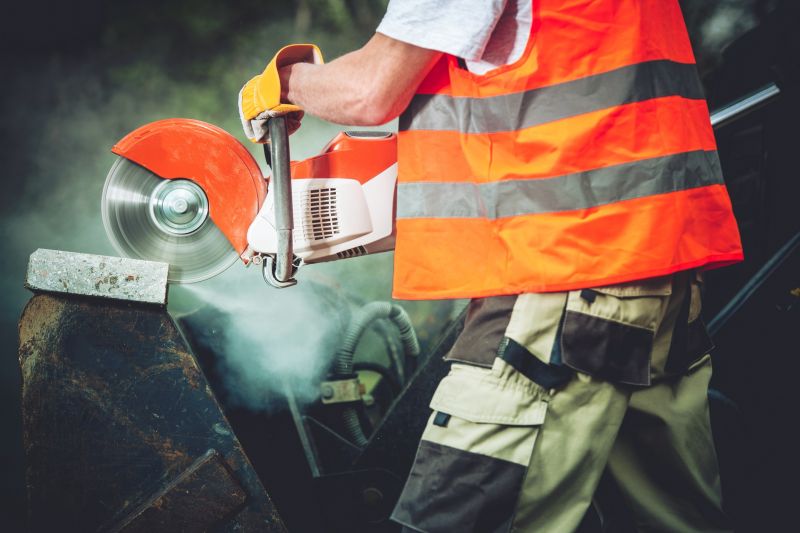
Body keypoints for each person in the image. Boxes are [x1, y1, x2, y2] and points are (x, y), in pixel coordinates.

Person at [239, 1, 740, 531]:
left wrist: (285, 82)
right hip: (656, 274)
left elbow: (368, 92)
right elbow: (538, 133)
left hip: (561, 288)